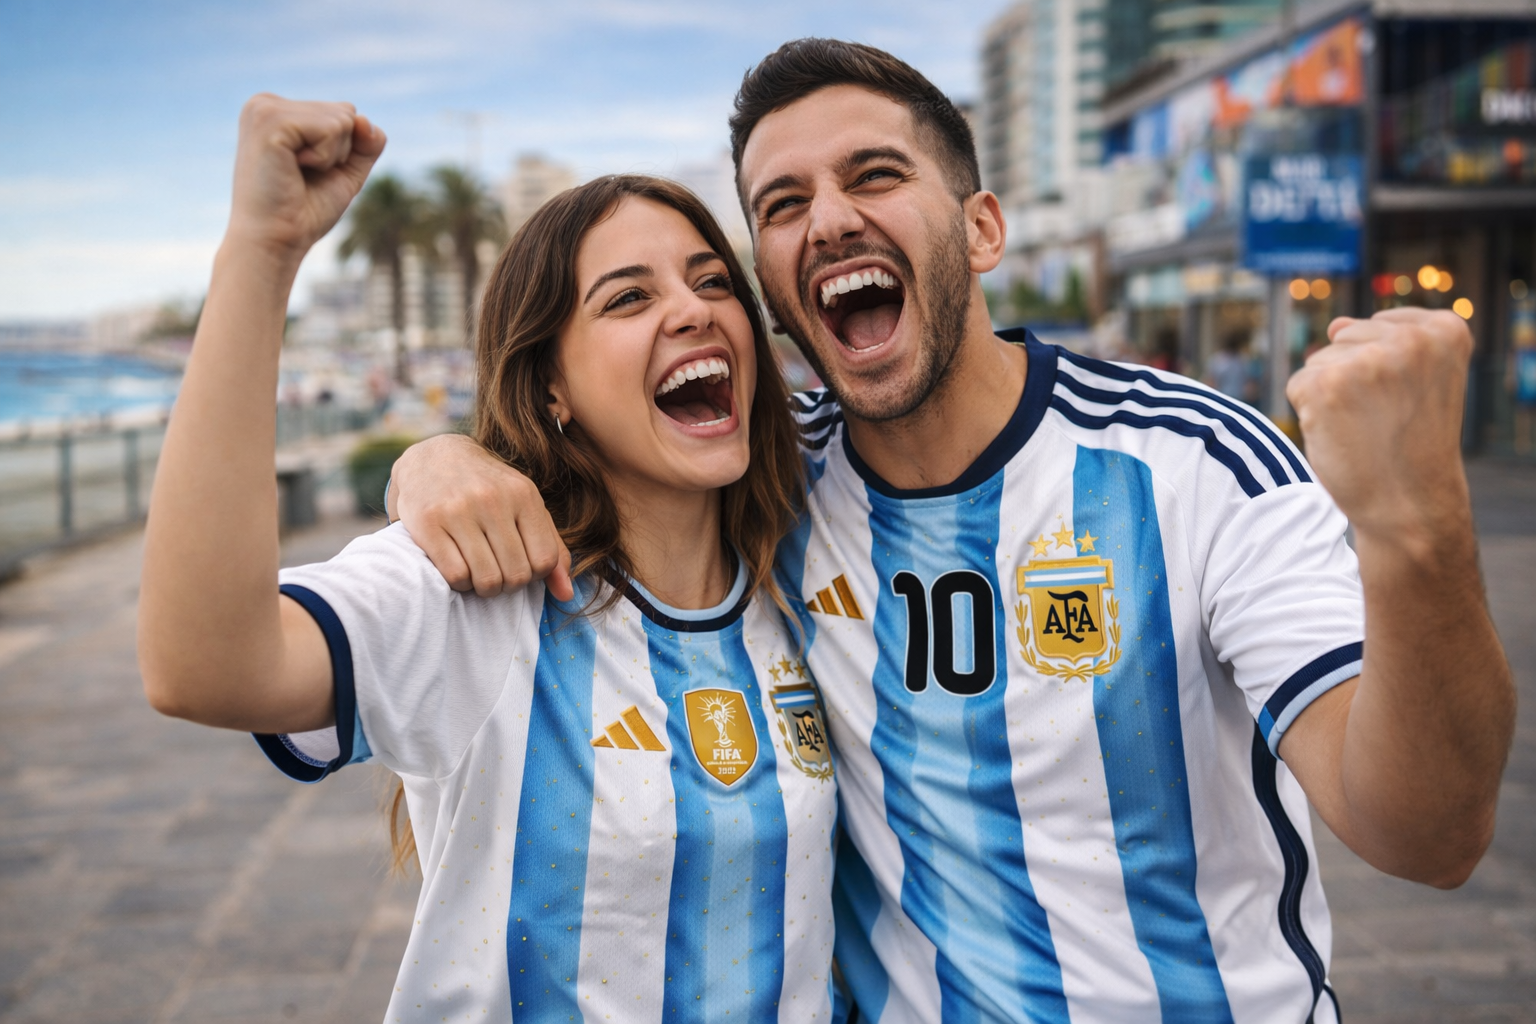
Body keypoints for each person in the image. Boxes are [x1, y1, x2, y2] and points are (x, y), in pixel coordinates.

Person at [387, 39, 1513, 1024]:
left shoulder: (1190, 464)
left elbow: (1427, 834)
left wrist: (1419, 535)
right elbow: (600, 448)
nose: (828, 218)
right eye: (782, 206)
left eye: (874, 175)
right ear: (774, 290)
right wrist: (439, 460)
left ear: (981, 228)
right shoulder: (771, 485)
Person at [137, 95, 843, 1022]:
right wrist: (261, 256)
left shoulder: (814, 552)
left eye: (714, 282)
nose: (691, 311)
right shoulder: (479, 590)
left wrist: (429, 452)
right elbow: (202, 665)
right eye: (629, 297)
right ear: (552, 388)